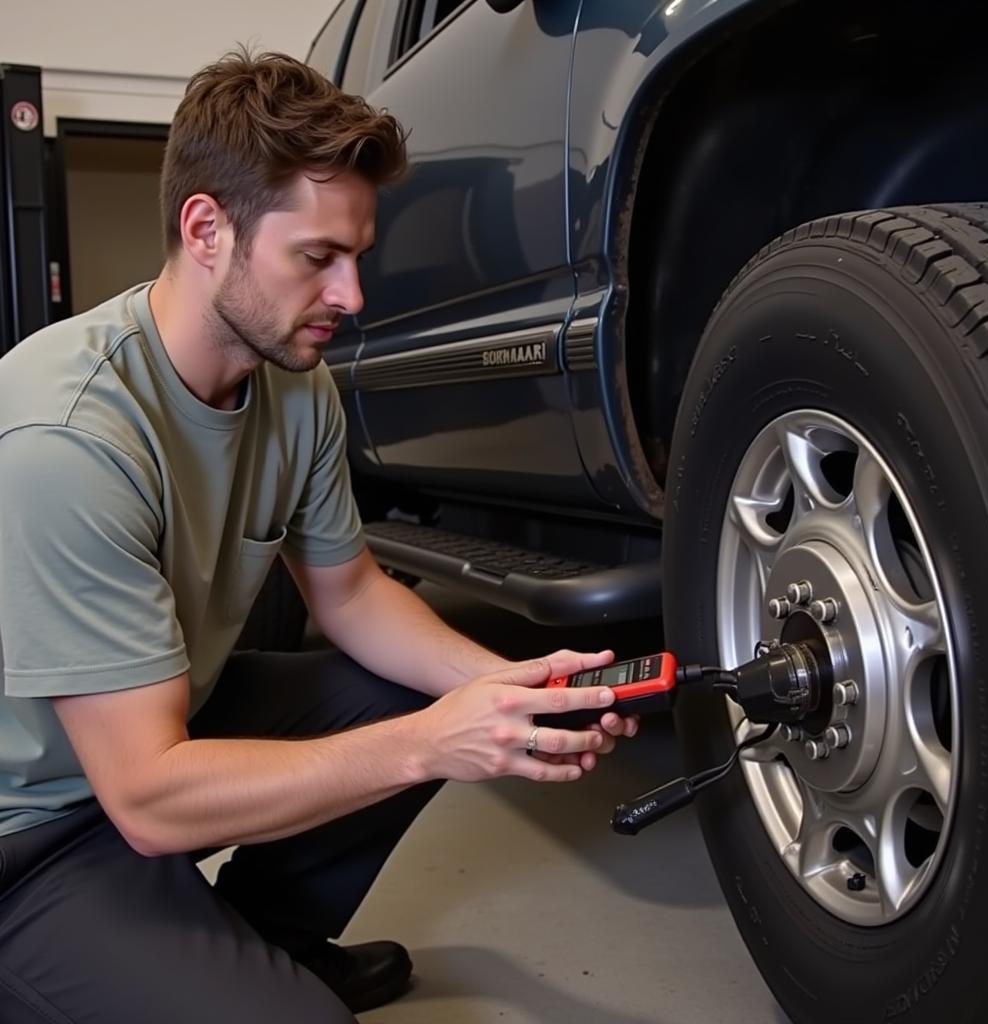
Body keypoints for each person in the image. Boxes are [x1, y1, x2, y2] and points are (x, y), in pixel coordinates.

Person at [0, 49, 637, 1024]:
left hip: (157, 724)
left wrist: (508, 689)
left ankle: (265, 945)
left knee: (396, 683)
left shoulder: (294, 388)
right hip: (36, 827)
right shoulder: (67, 437)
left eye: (356, 257)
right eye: (317, 259)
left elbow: (350, 593)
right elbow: (147, 797)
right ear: (206, 229)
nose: (352, 297)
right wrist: (430, 745)